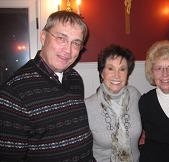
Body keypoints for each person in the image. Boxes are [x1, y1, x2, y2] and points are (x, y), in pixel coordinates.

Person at [0, 11, 95, 162]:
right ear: (43, 37)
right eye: (61, 39)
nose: (68, 50)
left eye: (76, 43)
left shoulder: (75, 79)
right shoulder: (13, 91)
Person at [85, 44, 142, 162]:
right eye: (110, 68)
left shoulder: (135, 95)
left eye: (122, 69)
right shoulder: (88, 106)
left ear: (128, 74)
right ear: (102, 73)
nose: (117, 75)